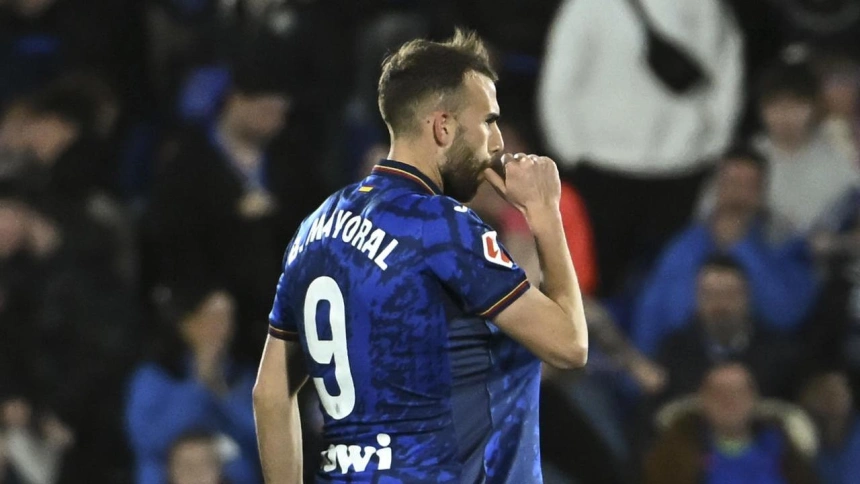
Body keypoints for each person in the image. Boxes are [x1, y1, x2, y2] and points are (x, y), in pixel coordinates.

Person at [253, 29, 588, 483]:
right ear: (443, 126)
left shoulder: (316, 227)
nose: (496, 144)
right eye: (488, 121)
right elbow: (569, 345)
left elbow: (270, 394)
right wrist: (545, 213)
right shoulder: (440, 225)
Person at [125, 287, 260, 484]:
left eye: (227, 318)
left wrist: (222, 394)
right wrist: (198, 385)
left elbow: (260, 438)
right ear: (187, 323)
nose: (221, 328)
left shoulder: (240, 376)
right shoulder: (155, 375)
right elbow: (145, 439)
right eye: (212, 317)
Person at [643, 362, 818, 484]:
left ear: (754, 399)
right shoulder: (675, 450)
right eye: (718, 392)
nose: (729, 399)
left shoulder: (783, 446)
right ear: (703, 400)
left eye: (738, 392)